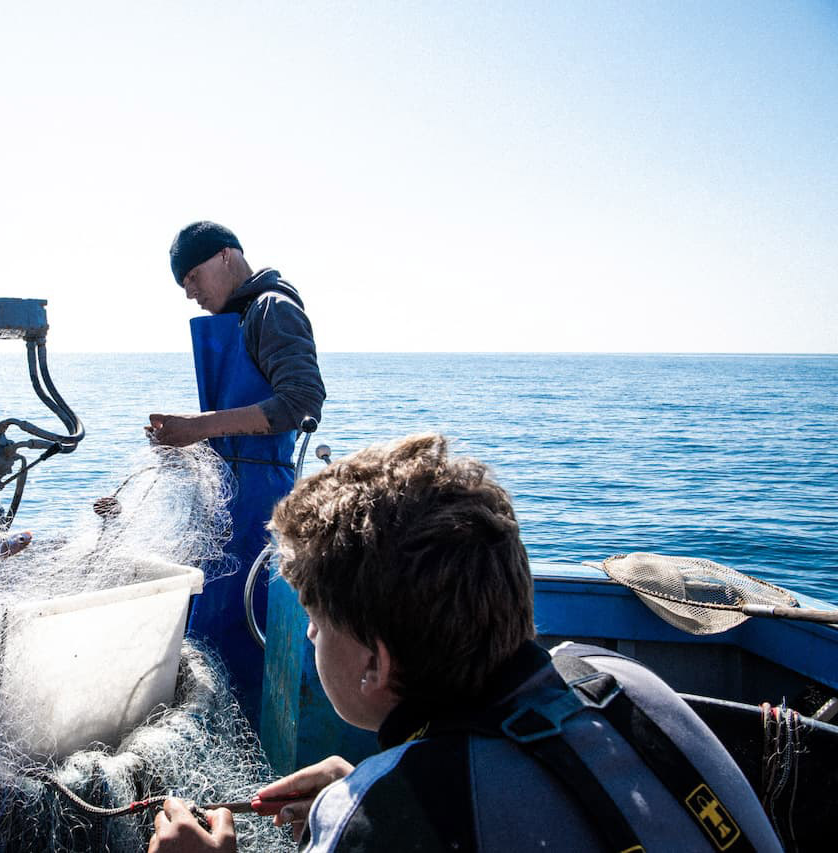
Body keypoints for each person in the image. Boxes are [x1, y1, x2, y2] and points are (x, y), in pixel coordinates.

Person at [149, 433, 782, 852]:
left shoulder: (371, 827)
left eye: (314, 617)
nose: (309, 632)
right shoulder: (617, 678)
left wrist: (377, 807)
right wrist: (371, 782)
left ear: (375, 661)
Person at [148, 221, 325, 723]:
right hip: (226, 500)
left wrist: (200, 426)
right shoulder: (242, 315)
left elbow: (302, 401)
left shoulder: (273, 309)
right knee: (208, 631)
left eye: (194, 278)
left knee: (240, 635)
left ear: (227, 256)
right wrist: (183, 437)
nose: (192, 293)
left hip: (258, 505)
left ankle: (244, 742)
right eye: (184, 286)